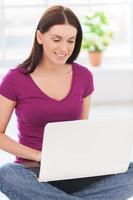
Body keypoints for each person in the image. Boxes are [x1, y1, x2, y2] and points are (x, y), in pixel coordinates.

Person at [0, 5, 133, 200]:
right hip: (33, 173)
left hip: (74, 170)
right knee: (5, 173)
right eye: (56, 39)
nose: (64, 48)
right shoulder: (15, 79)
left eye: (71, 41)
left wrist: (99, 155)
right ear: (40, 37)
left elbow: (81, 130)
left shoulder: (84, 76)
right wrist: (38, 155)